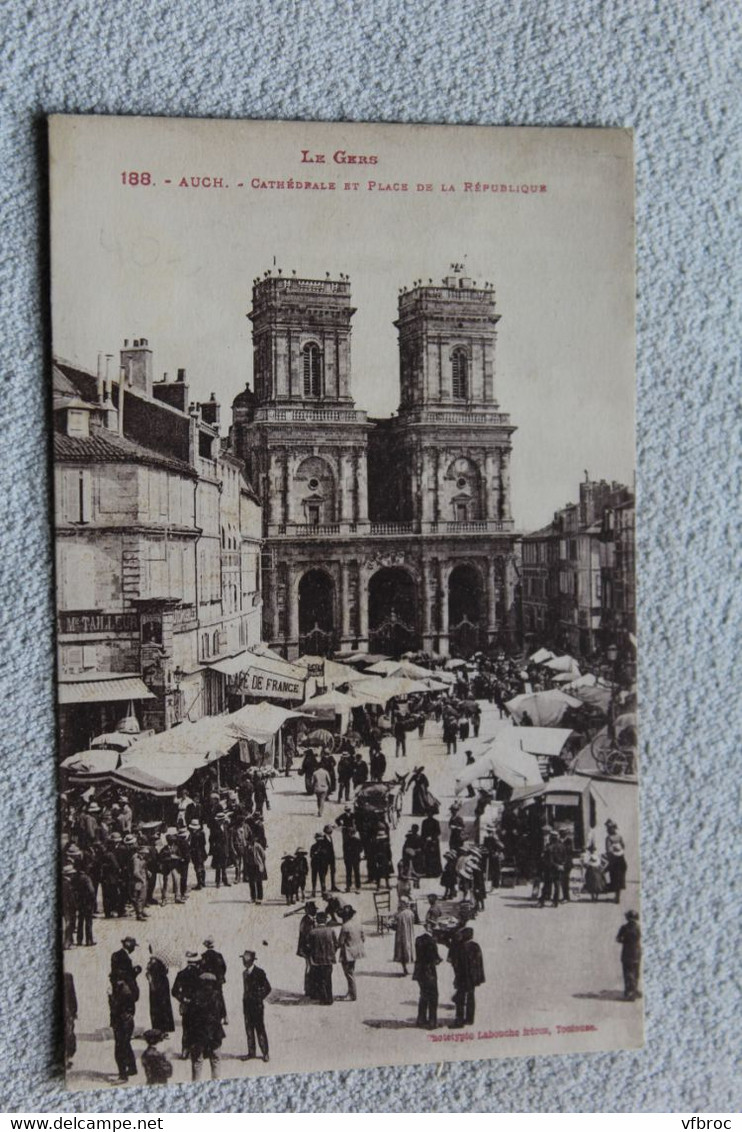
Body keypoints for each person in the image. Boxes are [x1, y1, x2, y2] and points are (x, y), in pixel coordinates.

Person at [189, 972, 225, 1081]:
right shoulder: (217, 995)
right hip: (215, 1033)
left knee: (197, 1062)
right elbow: (221, 1013)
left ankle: (196, 1084)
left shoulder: (195, 996)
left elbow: (190, 1016)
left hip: (199, 1034)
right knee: (216, 1060)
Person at [449, 927, 485, 1027]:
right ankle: (470, 1019)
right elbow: (479, 963)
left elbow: (459, 965)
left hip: (463, 978)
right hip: (473, 978)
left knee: (460, 999)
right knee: (471, 997)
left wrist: (457, 978)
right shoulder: (475, 946)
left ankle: (459, 1021)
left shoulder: (463, 948)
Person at [241, 950, 271, 1061]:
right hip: (247, 1006)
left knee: (260, 1029)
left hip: (257, 1006)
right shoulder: (244, 973)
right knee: (249, 1030)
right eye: (243, 960)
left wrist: (259, 997)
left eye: (245, 960)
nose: (244, 962)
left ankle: (265, 1053)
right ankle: (251, 1052)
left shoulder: (260, 972)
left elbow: (268, 988)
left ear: (251, 961)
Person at [171, 952, 202, 1059]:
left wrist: (183, 998)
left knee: (186, 1028)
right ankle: (198, 1051)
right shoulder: (201, 974)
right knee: (198, 1028)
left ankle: (185, 1051)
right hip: (198, 1006)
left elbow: (174, 991)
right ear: (197, 962)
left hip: (186, 1006)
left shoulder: (181, 974)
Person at [108, 971, 138, 1082]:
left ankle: (123, 1075)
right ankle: (132, 1068)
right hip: (127, 1022)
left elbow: (115, 1008)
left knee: (119, 1049)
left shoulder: (122, 991)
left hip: (122, 1023)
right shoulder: (125, 988)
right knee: (126, 1045)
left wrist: (110, 997)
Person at [413, 923, 441, 1029]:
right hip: (429, 971)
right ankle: (432, 1021)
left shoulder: (418, 940)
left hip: (419, 971)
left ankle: (421, 1019)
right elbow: (435, 959)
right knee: (433, 996)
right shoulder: (432, 942)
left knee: (423, 994)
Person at [307, 910, 338, 1005]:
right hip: (329, 959)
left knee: (320, 979)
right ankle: (329, 998)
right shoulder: (331, 931)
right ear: (325, 920)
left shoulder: (312, 932)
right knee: (328, 979)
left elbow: (308, 946)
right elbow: (336, 944)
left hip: (317, 960)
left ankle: (323, 998)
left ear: (317, 920)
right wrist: (332, 953)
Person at [337, 905, 365, 1001]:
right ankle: (350, 992)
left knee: (349, 974)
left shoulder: (345, 927)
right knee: (351, 972)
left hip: (347, 953)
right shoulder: (358, 924)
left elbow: (340, 942)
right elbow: (363, 938)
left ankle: (352, 994)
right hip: (356, 951)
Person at [146, 946, 175, 1035]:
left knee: (157, 1006)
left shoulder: (153, 961)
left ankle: (158, 1028)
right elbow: (165, 972)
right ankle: (165, 1027)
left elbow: (149, 974)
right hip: (163, 985)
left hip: (156, 985)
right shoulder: (162, 961)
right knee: (164, 1006)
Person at [201, 938, 228, 1025]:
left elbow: (201, 968)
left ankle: (207, 1016)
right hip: (217, 980)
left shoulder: (203, 956)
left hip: (206, 980)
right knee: (220, 996)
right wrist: (219, 976)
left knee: (207, 997)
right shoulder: (219, 955)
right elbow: (224, 967)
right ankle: (224, 1016)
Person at [616, 910, 642, 1000]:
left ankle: (629, 992)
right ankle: (634, 989)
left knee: (628, 972)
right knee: (636, 972)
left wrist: (625, 941)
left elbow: (618, 939)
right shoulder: (639, 927)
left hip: (627, 952)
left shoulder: (624, 928)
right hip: (637, 952)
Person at [297, 901, 318, 998]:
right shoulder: (306, 921)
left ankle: (310, 989)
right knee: (310, 967)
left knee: (310, 967)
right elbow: (307, 936)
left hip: (307, 948)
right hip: (308, 949)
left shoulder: (307, 920)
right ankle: (309, 989)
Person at [605, 820, 627, 903]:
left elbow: (608, 850)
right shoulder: (619, 837)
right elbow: (623, 846)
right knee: (620, 879)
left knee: (615, 878)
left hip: (614, 860)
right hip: (621, 859)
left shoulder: (608, 838)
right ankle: (617, 897)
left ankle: (616, 897)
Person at [393, 895, 416, 976]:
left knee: (401, 950)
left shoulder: (399, 914)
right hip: (410, 934)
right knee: (410, 948)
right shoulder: (411, 913)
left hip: (401, 934)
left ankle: (405, 968)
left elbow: (394, 922)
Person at [244, 836, 267, 904]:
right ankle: (253, 897)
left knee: (259, 882)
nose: (249, 842)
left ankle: (260, 898)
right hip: (250, 866)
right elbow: (245, 857)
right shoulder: (247, 847)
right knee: (251, 883)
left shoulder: (258, 846)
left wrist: (260, 863)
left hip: (257, 866)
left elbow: (263, 855)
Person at [63, 971, 78, 1069]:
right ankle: (66, 1058)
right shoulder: (68, 977)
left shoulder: (68, 977)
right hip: (67, 1013)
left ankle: (66, 1059)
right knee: (68, 1034)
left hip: (67, 1012)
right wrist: (74, 1011)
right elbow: (72, 995)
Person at [310, 832, 331, 897]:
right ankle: (315, 891)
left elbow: (327, 855)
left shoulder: (324, 847)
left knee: (321, 878)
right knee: (317, 877)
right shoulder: (314, 846)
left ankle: (322, 890)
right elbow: (311, 855)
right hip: (317, 864)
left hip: (321, 864)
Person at [189, 819, 207, 890]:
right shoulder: (202, 833)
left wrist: (191, 850)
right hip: (202, 852)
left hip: (196, 853)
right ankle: (203, 882)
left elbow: (193, 846)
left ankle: (199, 884)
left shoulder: (194, 835)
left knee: (197, 868)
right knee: (202, 866)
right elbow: (204, 843)